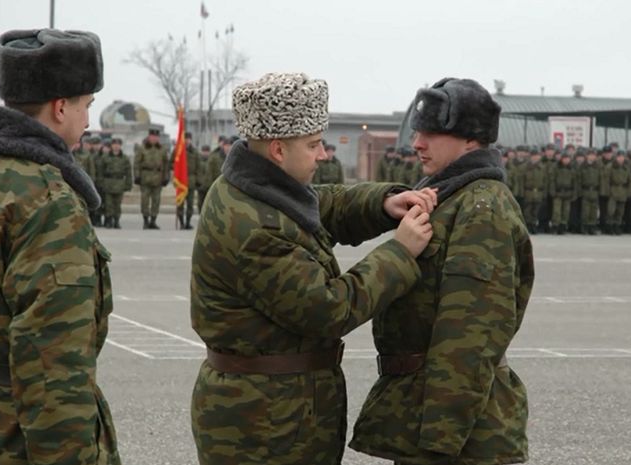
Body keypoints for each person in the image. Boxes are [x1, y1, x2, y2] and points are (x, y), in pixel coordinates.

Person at [190, 72, 436, 465]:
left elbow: (318, 205)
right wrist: (400, 253)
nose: (323, 154)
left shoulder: (251, 188)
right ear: (277, 150)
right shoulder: (256, 228)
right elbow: (329, 309)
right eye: (313, 144)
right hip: (266, 423)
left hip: (274, 407)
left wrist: (381, 204)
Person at [0, 28, 119, 464]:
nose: (88, 121)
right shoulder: (48, 200)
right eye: (86, 105)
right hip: (12, 434)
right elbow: (54, 362)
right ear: (61, 107)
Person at [350, 78, 533, 465]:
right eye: (417, 132)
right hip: (424, 413)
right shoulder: (449, 195)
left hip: (455, 436)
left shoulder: (482, 208)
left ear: (470, 140)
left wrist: (439, 442)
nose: (417, 143)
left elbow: (470, 337)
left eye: (431, 134)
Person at [134, 128, 169, 229]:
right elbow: (137, 163)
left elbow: (166, 164)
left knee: (156, 201)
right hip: (145, 177)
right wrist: (137, 176)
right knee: (144, 200)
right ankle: (145, 220)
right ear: (149, 137)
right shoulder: (142, 148)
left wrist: (166, 177)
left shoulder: (162, 149)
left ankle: (153, 220)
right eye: (152, 136)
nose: (154, 138)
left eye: (156, 137)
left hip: (158, 179)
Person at [102, 137, 133, 229]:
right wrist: (101, 183)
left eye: (118, 145)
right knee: (108, 204)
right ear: (111, 146)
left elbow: (128, 173)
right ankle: (108, 220)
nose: (116, 146)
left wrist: (128, 184)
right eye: (114, 144)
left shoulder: (125, 158)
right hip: (108, 183)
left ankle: (116, 221)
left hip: (119, 183)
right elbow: (100, 171)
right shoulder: (105, 157)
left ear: (120, 146)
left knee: (117, 204)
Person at [605, 150, 631, 235]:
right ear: (616, 157)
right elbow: (606, 180)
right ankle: (609, 226)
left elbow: (630, 181)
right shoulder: (610, 166)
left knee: (620, 211)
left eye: (622, 157)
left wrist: (629, 192)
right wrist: (607, 191)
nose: (621, 159)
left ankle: (617, 226)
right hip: (613, 190)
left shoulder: (626, 168)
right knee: (611, 211)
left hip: (623, 191)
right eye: (619, 157)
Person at [550, 151, 578, 234]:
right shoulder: (556, 168)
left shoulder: (572, 169)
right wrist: (553, 191)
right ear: (561, 159)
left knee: (566, 211)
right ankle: (555, 225)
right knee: (556, 211)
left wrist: (574, 193)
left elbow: (575, 182)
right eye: (564, 158)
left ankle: (563, 226)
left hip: (568, 193)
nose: (566, 160)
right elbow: (552, 180)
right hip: (558, 193)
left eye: (568, 159)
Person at [178, 131, 198, 229]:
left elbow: (199, 167)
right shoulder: (178, 150)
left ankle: (188, 222)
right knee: (180, 203)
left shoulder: (195, 152)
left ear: (191, 140)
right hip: (181, 181)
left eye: (188, 139)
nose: (187, 141)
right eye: (185, 139)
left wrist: (198, 180)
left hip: (191, 180)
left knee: (190, 204)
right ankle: (181, 222)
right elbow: (173, 163)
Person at [196, 144, 211, 213]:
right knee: (200, 203)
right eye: (204, 151)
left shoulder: (211, 160)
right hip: (200, 185)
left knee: (208, 203)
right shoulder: (198, 160)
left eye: (207, 151)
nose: (205, 153)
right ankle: (201, 215)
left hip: (209, 186)